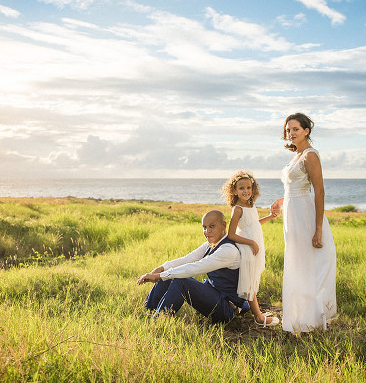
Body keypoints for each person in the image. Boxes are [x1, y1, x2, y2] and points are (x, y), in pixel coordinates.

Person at [271, 112, 337, 333]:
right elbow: (295, 187)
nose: (291, 133)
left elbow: (319, 192)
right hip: (292, 214)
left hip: (305, 216)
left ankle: (311, 319)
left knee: (308, 265)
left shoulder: (310, 156)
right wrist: (282, 201)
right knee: (297, 263)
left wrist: (318, 229)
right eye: (288, 130)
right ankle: (298, 317)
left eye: (295, 129)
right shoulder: (295, 156)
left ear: (306, 131)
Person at [136, 210, 246, 323]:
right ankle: (147, 312)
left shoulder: (228, 250)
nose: (207, 231)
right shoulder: (211, 244)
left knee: (180, 280)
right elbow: (187, 260)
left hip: (226, 309)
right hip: (214, 296)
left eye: (212, 226)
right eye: (204, 227)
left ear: (223, 225)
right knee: (170, 273)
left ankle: (158, 321)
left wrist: (159, 276)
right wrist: (161, 268)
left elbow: (196, 267)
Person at [220, 171, 280, 327]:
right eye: (241, 188)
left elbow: (253, 224)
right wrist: (251, 243)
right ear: (234, 191)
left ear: (253, 189)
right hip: (246, 247)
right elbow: (231, 234)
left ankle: (237, 307)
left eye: (248, 187)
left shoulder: (250, 205)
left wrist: (269, 217)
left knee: (251, 281)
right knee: (250, 284)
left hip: (253, 245)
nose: (246, 191)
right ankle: (259, 318)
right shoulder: (238, 209)